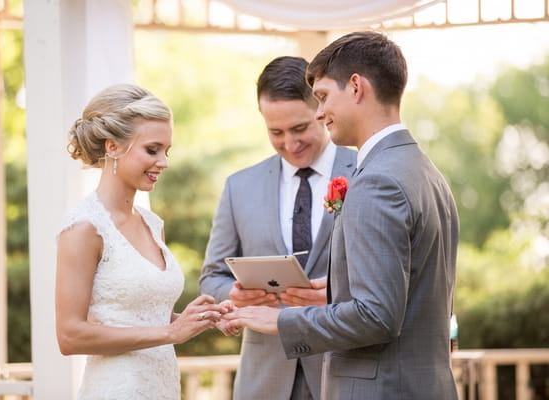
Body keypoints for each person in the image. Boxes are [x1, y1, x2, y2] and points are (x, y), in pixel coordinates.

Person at [224, 31, 460, 400]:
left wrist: (282, 321)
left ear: (355, 87)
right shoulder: (424, 170)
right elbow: (407, 294)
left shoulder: (377, 181)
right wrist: (335, 294)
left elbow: (376, 316)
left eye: (322, 97)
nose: (319, 113)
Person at [55, 83, 230, 399]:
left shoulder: (152, 224)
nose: (163, 162)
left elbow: (145, 318)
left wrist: (196, 319)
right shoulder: (84, 228)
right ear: (112, 147)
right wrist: (170, 332)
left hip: (161, 387)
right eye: (152, 150)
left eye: (166, 151)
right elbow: (70, 336)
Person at [200, 56, 357, 399]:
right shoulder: (238, 187)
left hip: (344, 371)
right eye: (276, 132)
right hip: (264, 380)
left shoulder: (364, 172)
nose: (290, 143)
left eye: (299, 128)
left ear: (321, 108)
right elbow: (211, 277)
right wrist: (233, 295)